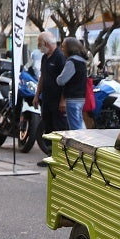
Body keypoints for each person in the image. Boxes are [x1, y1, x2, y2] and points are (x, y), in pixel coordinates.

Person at [35, 31, 67, 163]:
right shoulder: (44, 58)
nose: (38, 47)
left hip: (57, 100)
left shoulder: (60, 57)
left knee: (57, 128)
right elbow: (42, 77)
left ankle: (59, 157)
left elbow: (65, 80)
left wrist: (63, 100)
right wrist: (37, 95)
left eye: (39, 44)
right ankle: (50, 155)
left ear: (46, 43)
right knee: (48, 127)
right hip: (46, 99)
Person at [55, 37, 88, 130]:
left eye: (63, 47)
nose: (62, 49)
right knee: (79, 122)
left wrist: (57, 78)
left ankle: (80, 143)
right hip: (81, 97)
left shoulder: (71, 62)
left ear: (70, 48)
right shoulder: (82, 61)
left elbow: (61, 80)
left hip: (72, 98)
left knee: (75, 126)